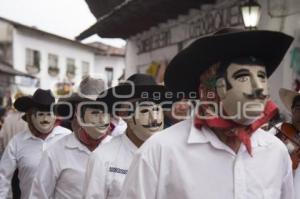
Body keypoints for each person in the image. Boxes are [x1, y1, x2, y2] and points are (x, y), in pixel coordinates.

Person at [119, 28, 294, 199]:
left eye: (262, 77)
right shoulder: (160, 151)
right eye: (243, 77)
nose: (259, 88)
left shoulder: (275, 152)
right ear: (210, 90)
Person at [83, 74, 166, 199]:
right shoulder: (103, 158)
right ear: (122, 112)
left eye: (157, 108)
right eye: (143, 110)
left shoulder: (171, 154)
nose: (153, 118)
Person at [29, 76, 113, 199]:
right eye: (93, 109)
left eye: (104, 109)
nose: (100, 117)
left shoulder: (117, 150)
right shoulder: (56, 153)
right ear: (77, 111)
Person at [0, 89, 71, 199]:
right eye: (40, 114)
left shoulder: (67, 137)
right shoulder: (17, 142)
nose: (45, 119)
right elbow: (3, 176)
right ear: (30, 116)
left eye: (49, 114)